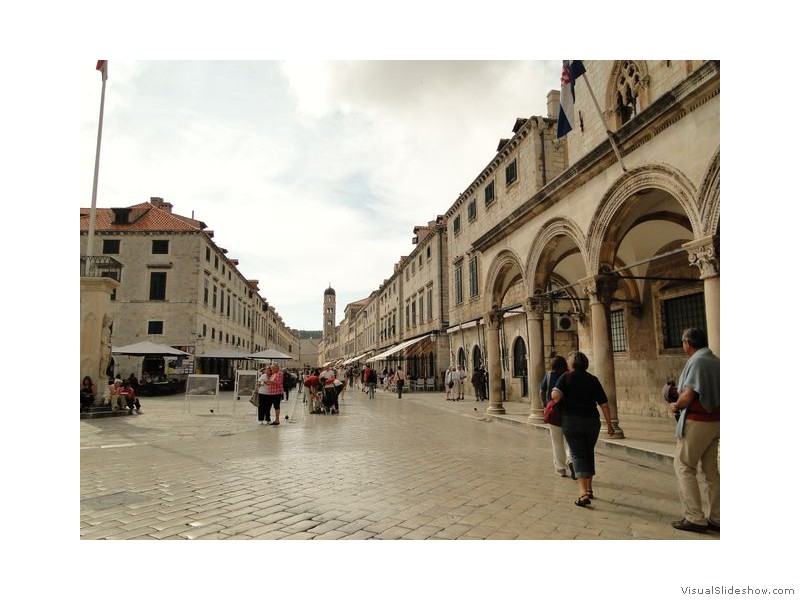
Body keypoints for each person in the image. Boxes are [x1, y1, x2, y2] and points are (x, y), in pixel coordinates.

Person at [668, 327, 720, 533]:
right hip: (716, 420)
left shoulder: (698, 361)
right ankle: (717, 517)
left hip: (698, 421)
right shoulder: (716, 360)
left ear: (687, 343)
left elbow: (689, 395)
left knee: (683, 466)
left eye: (683, 343)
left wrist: (676, 405)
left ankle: (695, 517)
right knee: (711, 471)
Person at [550, 351, 614, 507]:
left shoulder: (566, 377)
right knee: (588, 452)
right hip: (592, 421)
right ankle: (590, 489)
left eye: (569, 360)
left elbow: (555, 396)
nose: (568, 362)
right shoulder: (593, 379)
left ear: (573, 363)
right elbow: (604, 404)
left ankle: (583, 493)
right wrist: (610, 424)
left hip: (572, 420)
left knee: (578, 454)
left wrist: (560, 394)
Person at [540, 355, 573, 477]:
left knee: (556, 441)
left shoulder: (549, 375)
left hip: (553, 411)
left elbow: (541, 391)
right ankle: (571, 459)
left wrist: (545, 404)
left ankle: (560, 469)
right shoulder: (569, 375)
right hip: (568, 410)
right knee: (569, 439)